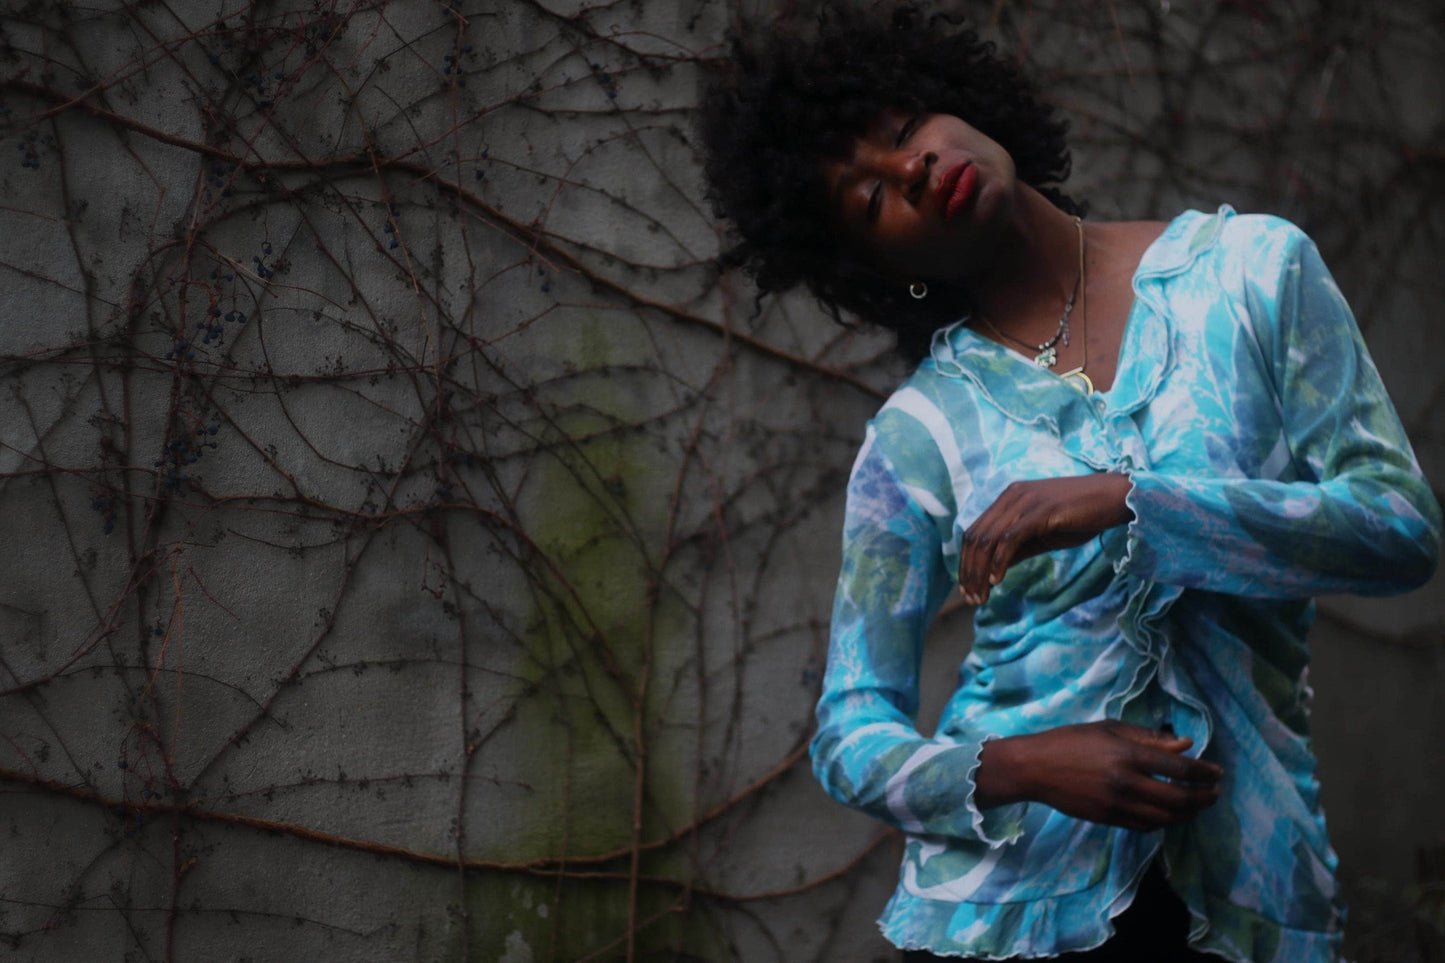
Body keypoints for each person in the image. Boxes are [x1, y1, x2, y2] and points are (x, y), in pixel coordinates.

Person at [698, 5, 1442, 961]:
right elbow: (850, 731)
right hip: (1000, 914)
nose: (911, 168)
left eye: (900, 132)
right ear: (878, 267)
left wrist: (1131, 502)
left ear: (959, 106)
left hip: (1250, 887)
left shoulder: (1251, 273)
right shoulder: (917, 435)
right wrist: (1019, 766)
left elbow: (1398, 529)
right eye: (869, 196)